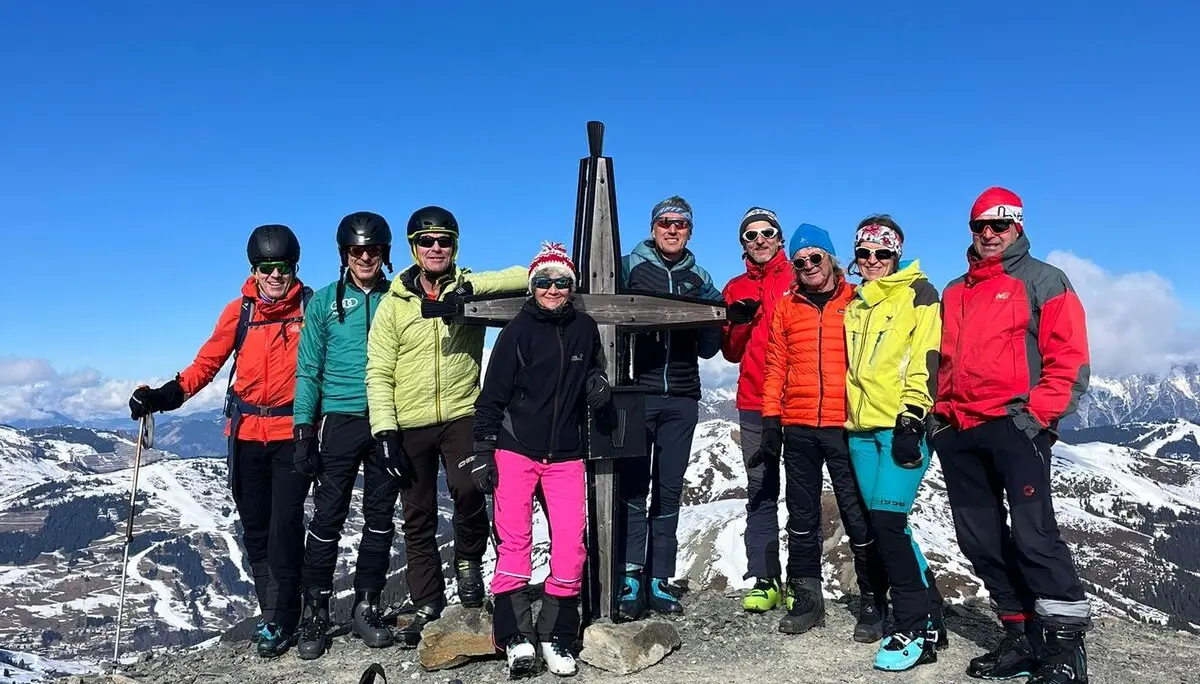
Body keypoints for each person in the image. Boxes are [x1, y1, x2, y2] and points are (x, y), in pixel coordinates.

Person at [930, 187, 1091, 684]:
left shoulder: (1044, 279)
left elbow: (1069, 357)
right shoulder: (954, 290)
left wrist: (1037, 417)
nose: (990, 234)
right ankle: (1020, 636)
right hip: (960, 430)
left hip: (1014, 426)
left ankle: (1065, 650)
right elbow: (943, 362)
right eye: (981, 225)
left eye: (1000, 225)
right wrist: (939, 420)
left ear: (1017, 226)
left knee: (1033, 535)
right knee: (978, 539)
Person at [128, 224, 312, 658]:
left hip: (291, 434)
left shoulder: (311, 308)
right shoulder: (239, 311)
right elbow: (206, 364)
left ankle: (286, 618)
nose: (275, 275)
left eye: (282, 267)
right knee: (256, 530)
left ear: (294, 267)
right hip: (245, 436)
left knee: (285, 528)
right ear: (254, 270)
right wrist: (162, 397)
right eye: (266, 267)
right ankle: (273, 616)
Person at [365, 205, 528, 647]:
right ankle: (428, 601)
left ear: (455, 246)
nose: (435, 248)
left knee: (470, 488)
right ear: (413, 248)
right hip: (408, 421)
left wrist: (469, 291)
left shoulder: (468, 286)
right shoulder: (393, 305)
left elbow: (524, 275)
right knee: (416, 513)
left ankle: (469, 562)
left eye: (444, 241)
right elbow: (378, 371)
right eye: (426, 241)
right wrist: (384, 431)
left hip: (461, 412)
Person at [471, 242, 612, 678]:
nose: (553, 289)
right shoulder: (517, 331)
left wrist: (598, 382)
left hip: (566, 454)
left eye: (562, 282)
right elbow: (491, 397)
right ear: (532, 286)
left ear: (571, 286)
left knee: (570, 546)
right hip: (516, 449)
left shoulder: (585, 328)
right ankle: (515, 636)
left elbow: (594, 367)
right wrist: (483, 451)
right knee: (515, 544)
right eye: (544, 281)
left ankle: (556, 635)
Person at [757, 223, 889, 639]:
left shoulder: (856, 300)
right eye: (800, 262)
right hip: (798, 425)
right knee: (801, 515)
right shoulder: (787, 307)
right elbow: (775, 365)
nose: (809, 266)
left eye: (815, 257)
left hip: (845, 425)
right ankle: (807, 599)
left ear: (831, 259)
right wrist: (770, 419)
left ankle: (873, 600)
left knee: (857, 513)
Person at [842, 216, 948, 671]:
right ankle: (932, 613)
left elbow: (927, 356)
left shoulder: (919, 293)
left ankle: (913, 629)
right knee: (890, 526)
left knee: (887, 524)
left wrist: (912, 416)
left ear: (896, 254)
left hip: (901, 427)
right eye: (864, 253)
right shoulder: (857, 303)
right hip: (860, 431)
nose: (872, 261)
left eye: (882, 253)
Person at [291, 211, 398, 659]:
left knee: (380, 516)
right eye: (357, 250)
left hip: (388, 418)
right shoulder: (323, 303)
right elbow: (308, 369)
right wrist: (303, 429)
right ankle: (314, 610)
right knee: (327, 518)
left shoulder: (399, 296)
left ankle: (367, 605)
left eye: (373, 250)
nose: (365, 257)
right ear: (344, 254)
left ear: (385, 253)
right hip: (339, 419)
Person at [615, 195, 723, 621]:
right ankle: (629, 575)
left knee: (669, 489)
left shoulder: (699, 277)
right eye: (665, 222)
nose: (673, 229)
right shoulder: (628, 267)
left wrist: (714, 323)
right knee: (632, 487)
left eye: (681, 223)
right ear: (653, 228)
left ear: (690, 231)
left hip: (681, 395)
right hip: (636, 392)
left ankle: (659, 578)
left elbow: (711, 343)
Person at [719, 206, 794, 613]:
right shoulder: (734, 287)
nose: (760, 240)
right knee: (761, 489)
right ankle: (766, 579)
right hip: (753, 402)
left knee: (802, 493)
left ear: (779, 238)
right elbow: (731, 352)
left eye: (767, 232)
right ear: (743, 244)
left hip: (797, 400)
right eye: (751, 235)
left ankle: (803, 579)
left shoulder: (799, 274)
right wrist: (741, 322)